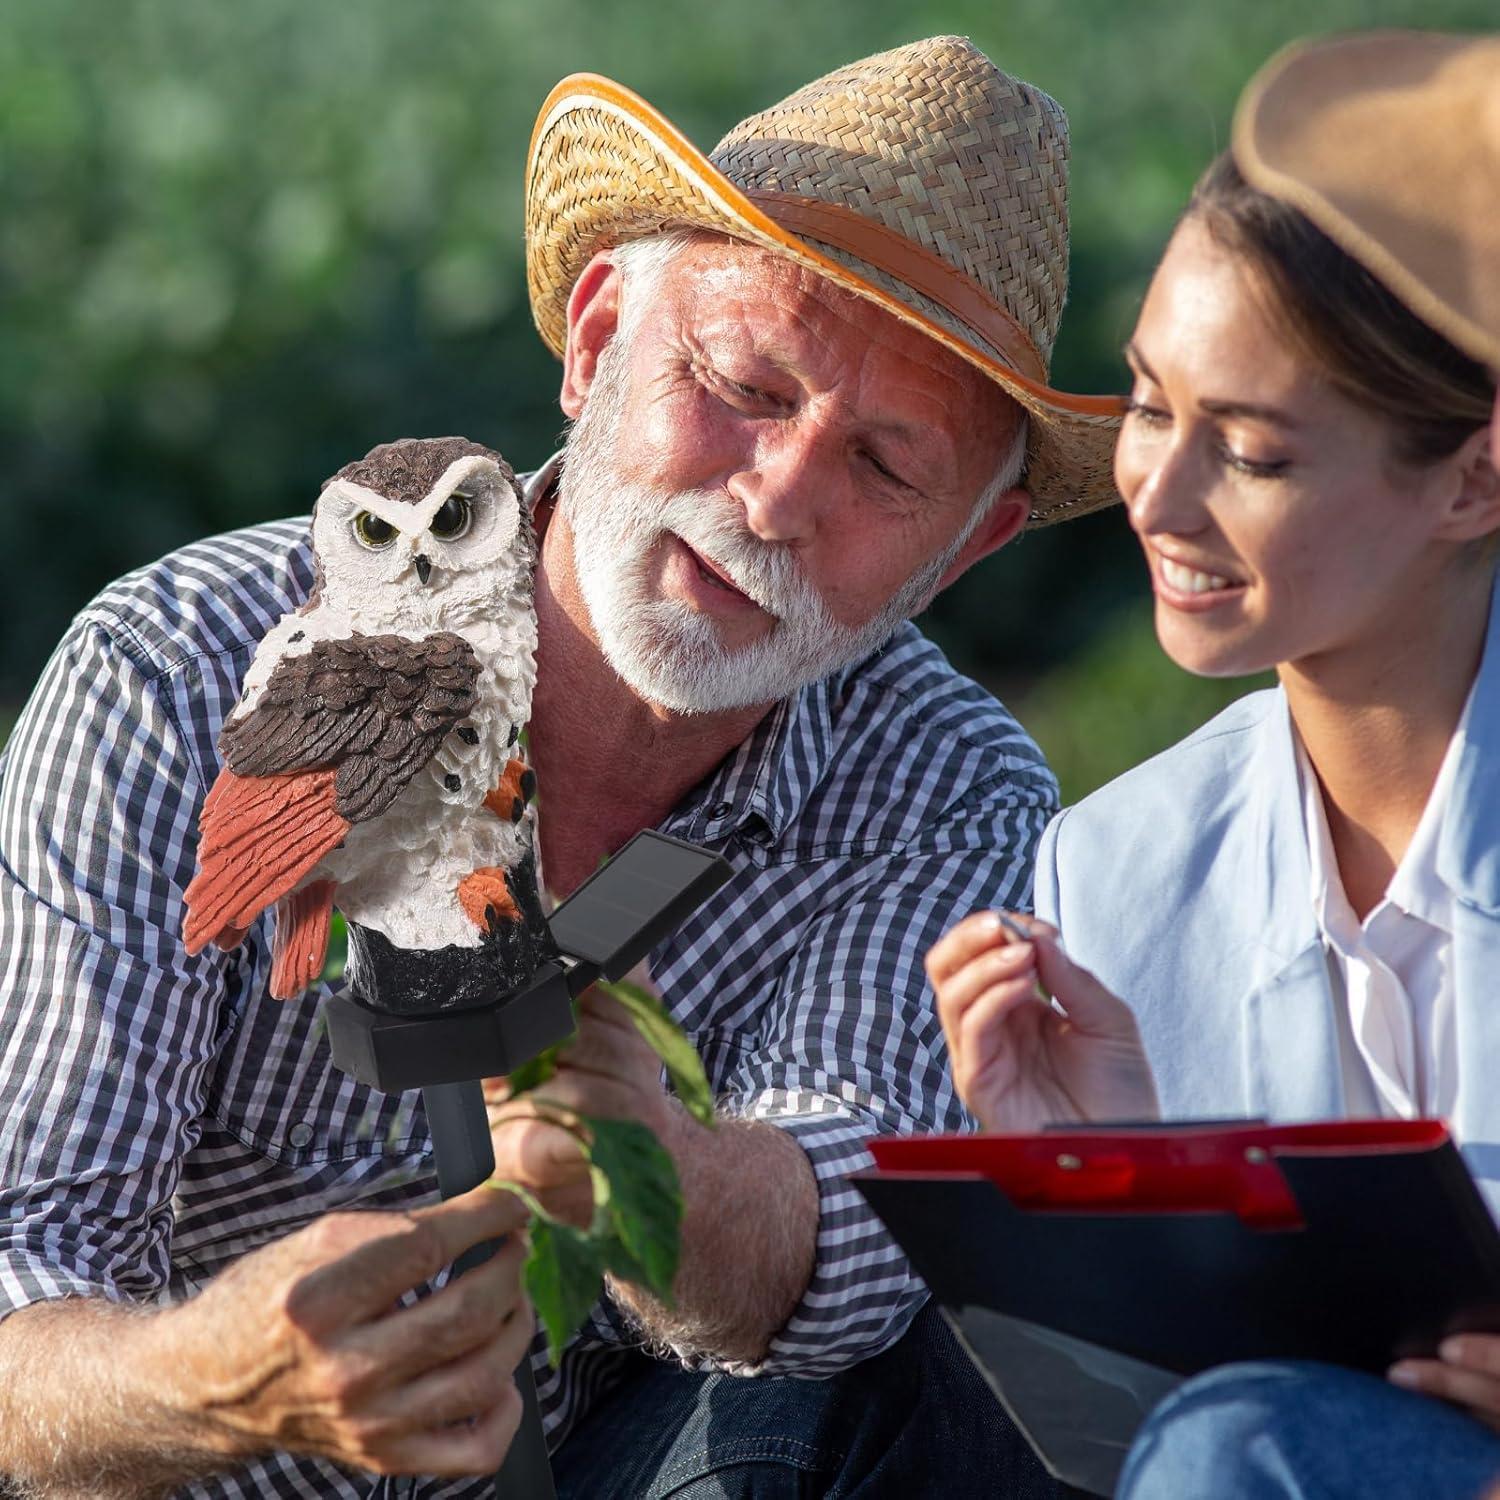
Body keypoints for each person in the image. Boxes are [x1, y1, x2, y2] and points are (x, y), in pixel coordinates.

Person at [0, 37, 1122, 1498]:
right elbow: (26, 1273)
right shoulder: (185, 669)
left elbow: (839, 1225)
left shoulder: (950, 785)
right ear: (595, 341)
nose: (778, 497)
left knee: (925, 1351)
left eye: (887, 470)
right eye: (742, 384)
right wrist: (219, 1381)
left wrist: (661, 1169)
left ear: (966, 547)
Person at [928, 30, 1500, 1500]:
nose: (1153, 492)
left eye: (1250, 452)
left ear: (1478, 475)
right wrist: (1127, 1195)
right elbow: (1114, 1450)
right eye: (1149, 400)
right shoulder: (1114, 871)